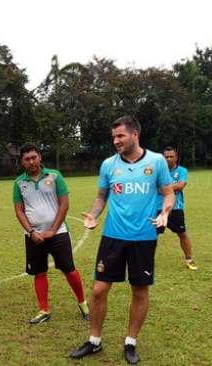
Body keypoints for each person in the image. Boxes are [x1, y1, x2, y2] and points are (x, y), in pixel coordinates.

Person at [70, 116, 174, 364]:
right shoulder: (108, 165)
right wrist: (94, 215)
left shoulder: (157, 161)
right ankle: (94, 341)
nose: (115, 140)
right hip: (112, 236)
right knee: (98, 289)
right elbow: (101, 196)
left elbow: (168, 194)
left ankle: (131, 342)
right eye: (114, 137)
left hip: (144, 237)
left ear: (135, 134)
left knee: (139, 289)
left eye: (120, 136)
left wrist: (165, 213)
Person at [13, 143, 89, 325]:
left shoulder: (55, 176)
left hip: (58, 233)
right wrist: (31, 232)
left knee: (69, 270)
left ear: (39, 157)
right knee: (39, 272)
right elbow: (19, 211)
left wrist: (53, 230)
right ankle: (44, 309)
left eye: (34, 157)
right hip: (33, 236)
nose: (31, 161)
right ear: (22, 162)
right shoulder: (18, 183)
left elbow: (64, 204)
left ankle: (83, 303)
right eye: (27, 159)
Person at [159, 147, 198, 270]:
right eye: (166, 156)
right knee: (149, 235)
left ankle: (189, 259)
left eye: (171, 156)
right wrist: (171, 187)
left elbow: (181, 185)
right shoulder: (158, 171)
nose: (169, 158)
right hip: (158, 208)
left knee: (182, 234)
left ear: (176, 157)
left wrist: (163, 188)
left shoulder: (182, 171)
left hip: (176, 208)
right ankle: (144, 261)